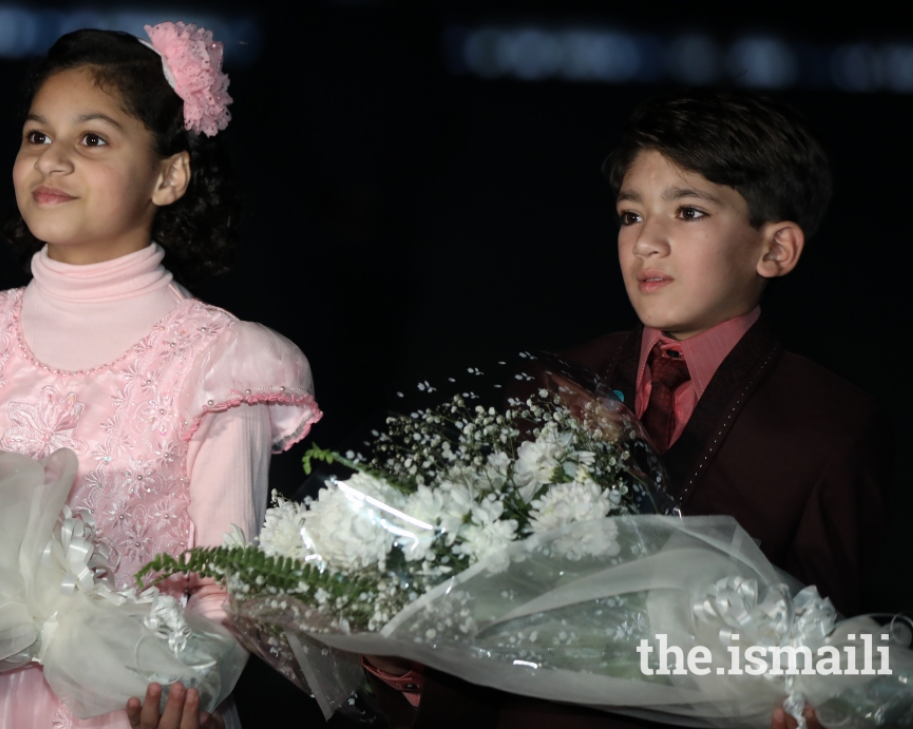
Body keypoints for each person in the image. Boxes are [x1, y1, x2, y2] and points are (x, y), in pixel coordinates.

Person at [367, 90, 891, 729]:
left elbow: (833, 652)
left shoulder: (829, 426)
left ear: (775, 249)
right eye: (629, 215)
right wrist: (400, 659)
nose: (648, 243)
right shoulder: (550, 383)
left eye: (689, 211)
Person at [0, 25, 321, 729]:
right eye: (37, 137)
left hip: (122, 704)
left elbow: (228, 584)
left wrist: (187, 690)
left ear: (169, 175)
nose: (53, 161)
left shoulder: (218, 361)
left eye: (92, 140)